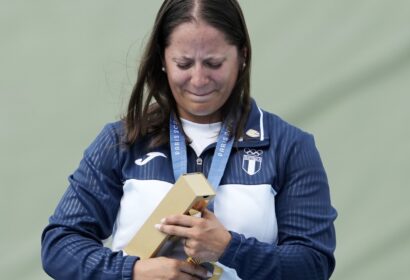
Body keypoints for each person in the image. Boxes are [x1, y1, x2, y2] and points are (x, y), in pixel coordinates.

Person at [41, 0, 337, 279]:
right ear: (162, 60)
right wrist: (132, 272)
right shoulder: (122, 141)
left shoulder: (289, 146)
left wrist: (230, 248)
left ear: (242, 56)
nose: (198, 80)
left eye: (214, 63)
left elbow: (314, 264)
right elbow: (59, 245)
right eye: (183, 64)